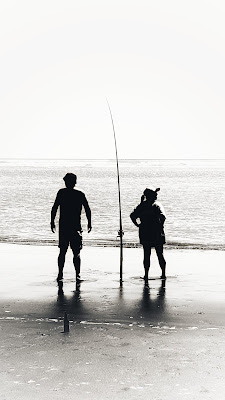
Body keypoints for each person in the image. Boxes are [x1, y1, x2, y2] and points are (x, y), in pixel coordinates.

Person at [51, 173, 92, 282]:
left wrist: (52, 221)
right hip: (75, 226)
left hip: (64, 226)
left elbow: (54, 208)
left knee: (63, 251)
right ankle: (77, 275)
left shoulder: (62, 193)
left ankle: (61, 274)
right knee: (76, 252)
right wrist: (89, 222)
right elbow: (87, 209)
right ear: (75, 182)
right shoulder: (79, 194)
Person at [130, 187, 166, 283]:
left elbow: (132, 216)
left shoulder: (142, 206)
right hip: (156, 232)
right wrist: (160, 225)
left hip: (145, 231)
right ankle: (163, 273)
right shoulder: (156, 205)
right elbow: (162, 217)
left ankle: (146, 274)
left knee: (147, 254)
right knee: (159, 254)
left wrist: (138, 225)